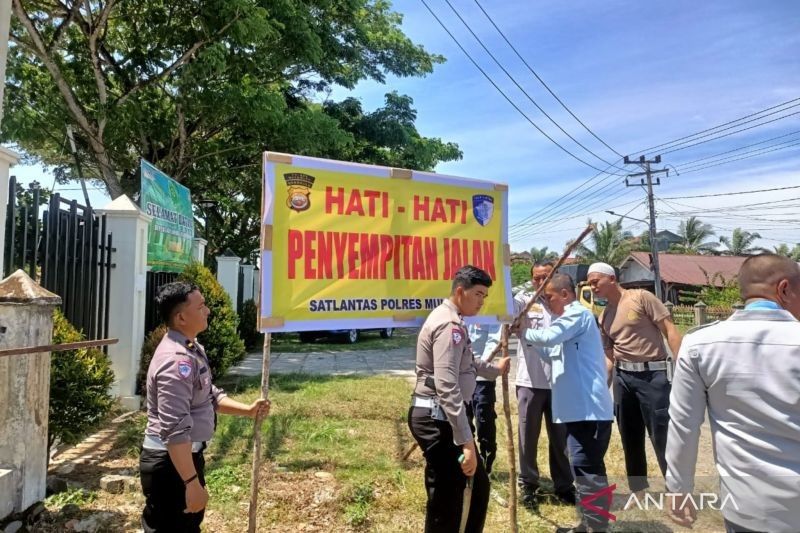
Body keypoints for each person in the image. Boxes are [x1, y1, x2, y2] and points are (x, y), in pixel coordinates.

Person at [666, 253, 800, 533]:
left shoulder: (699, 344)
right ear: (784, 289)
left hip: (748, 506)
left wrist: (679, 489)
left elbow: (684, 426)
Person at [140, 282, 270, 532]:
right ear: (180, 317)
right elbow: (174, 430)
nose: (208, 311)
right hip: (171, 466)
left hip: (183, 459)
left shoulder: (191, 348)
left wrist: (248, 409)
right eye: (201, 307)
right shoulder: (175, 363)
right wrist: (191, 482)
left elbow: (209, 395)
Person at [408, 265, 511, 532]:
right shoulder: (449, 324)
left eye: (485, 296)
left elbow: (468, 361)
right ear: (460, 290)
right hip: (438, 416)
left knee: (462, 490)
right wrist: (466, 441)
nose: (481, 301)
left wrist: (495, 370)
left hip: (440, 415)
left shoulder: (453, 319)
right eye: (478, 294)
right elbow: (446, 386)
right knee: (449, 495)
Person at [525, 274, 614, 533]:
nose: (547, 302)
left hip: (588, 411)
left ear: (565, 294)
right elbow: (550, 352)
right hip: (578, 411)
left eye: (549, 296)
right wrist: (526, 338)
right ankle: (591, 524)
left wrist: (525, 330)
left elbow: (551, 337)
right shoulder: (568, 322)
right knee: (585, 470)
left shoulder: (578, 315)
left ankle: (595, 527)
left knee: (588, 471)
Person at [587, 262, 682, 498]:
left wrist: (682, 367)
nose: (592, 286)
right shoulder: (605, 315)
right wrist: (602, 386)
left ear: (611, 278)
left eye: (595, 280)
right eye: (590, 282)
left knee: (662, 434)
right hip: (623, 377)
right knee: (629, 434)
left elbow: (669, 330)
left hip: (653, 375)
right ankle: (638, 489)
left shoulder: (641, 298)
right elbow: (609, 355)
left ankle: (676, 490)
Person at [489, 261, 573, 508]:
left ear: (555, 276)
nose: (541, 282)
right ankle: (528, 485)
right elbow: (509, 309)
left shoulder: (564, 303)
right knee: (528, 437)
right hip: (530, 381)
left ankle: (565, 485)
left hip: (560, 382)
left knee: (561, 438)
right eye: (536, 278)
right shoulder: (526, 302)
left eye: (545, 277)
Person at [467, 322, 501, 475]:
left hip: (483, 378)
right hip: (463, 375)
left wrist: (482, 367)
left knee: (484, 420)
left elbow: (494, 340)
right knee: (464, 419)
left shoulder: (492, 313)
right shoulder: (461, 312)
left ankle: (486, 462)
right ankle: (468, 461)